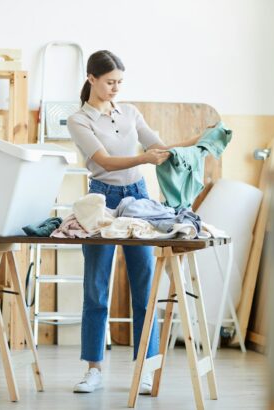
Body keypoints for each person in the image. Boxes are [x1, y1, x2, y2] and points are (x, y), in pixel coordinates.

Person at [66, 50, 201, 395]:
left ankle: (145, 366)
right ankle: (93, 368)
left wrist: (197, 142)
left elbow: (160, 147)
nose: (115, 88)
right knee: (96, 286)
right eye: (109, 82)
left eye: (119, 83)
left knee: (144, 284)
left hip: (139, 198)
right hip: (102, 199)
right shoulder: (79, 120)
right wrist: (143, 157)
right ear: (91, 78)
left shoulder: (130, 112)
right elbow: (106, 162)